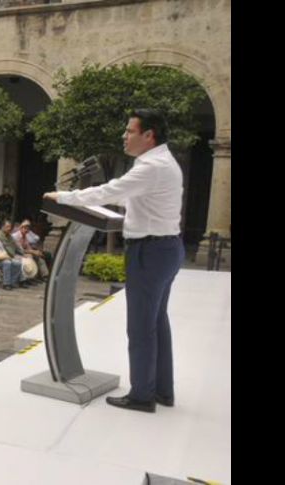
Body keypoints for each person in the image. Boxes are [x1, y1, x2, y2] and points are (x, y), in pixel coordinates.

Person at [43, 109, 184, 413]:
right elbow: (127, 196)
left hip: (150, 251)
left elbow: (111, 190)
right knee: (157, 322)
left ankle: (143, 395)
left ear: (149, 135)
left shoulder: (151, 167)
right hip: (166, 248)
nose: (124, 135)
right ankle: (162, 389)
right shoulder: (161, 162)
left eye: (130, 131)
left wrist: (63, 197)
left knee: (141, 326)